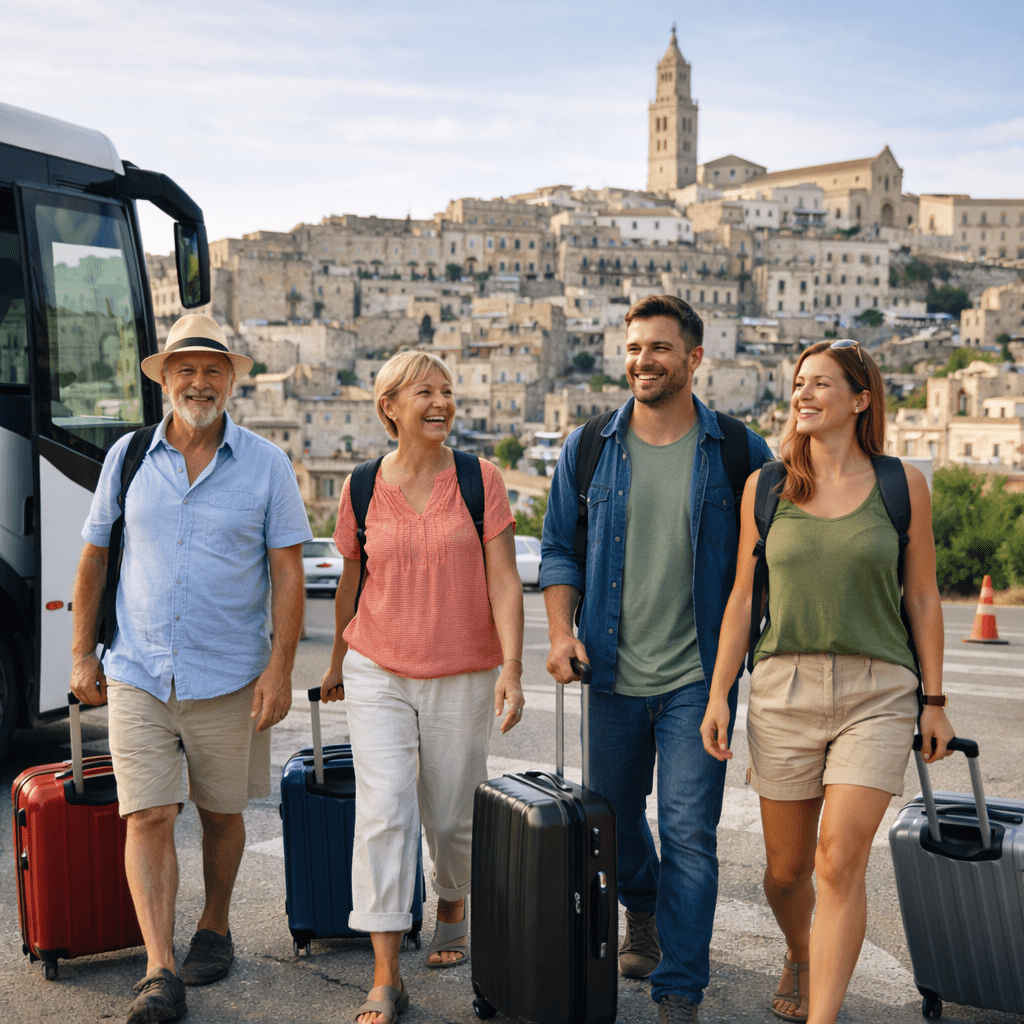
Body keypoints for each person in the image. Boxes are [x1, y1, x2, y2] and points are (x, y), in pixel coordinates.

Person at [699, 340, 955, 1024]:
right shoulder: (770, 485)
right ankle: (799, 949)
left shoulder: (903, 485)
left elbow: (923, 598)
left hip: (880, 691)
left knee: (840, 860)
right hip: (784, 688)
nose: (803, 395)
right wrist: (720, 693)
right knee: (786, 873)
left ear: (862, 398)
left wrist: (934, 700)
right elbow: (742, 600)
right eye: (798, 384)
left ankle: (824, 1017)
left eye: (820, 384)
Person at [70, 313, 311, 1024]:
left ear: (231, 379)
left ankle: (214, 924)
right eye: (185, 369)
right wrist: (83, 651)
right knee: (147, 813)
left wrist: (279, 668)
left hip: (232, 672)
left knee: (222, 812)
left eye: (212, 369)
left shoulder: (267, 463)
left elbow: (288, 571)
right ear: (165, 379)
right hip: (139, 667)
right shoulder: (129, 455)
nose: (198, 381)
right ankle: (159, 968)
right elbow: (93, 555)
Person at [541, 295, 773, 1024]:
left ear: (695, 358)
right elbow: (559, 550)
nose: (644, 360)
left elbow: (772, 557)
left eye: (661, 348)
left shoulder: (739, 452)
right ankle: (641, 909)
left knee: (689, 835)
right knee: (612, 821)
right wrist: (558, 634)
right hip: (608, 671)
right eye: (636, 347)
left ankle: (679, 990)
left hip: (698, 680)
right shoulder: (587, 448)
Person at [318, 350, 525, 1024]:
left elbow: (504, 578)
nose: (441, 403)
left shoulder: (479, 479)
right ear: (390, 408)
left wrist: (514, 668)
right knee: (384, 811)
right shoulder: (358, 486)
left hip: (463, 668)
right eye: (424, 393)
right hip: (377, 665)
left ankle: (454, 902)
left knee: (452, 813)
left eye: (447, 391)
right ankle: (385, 974)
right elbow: (352, 577)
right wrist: (333, 662)